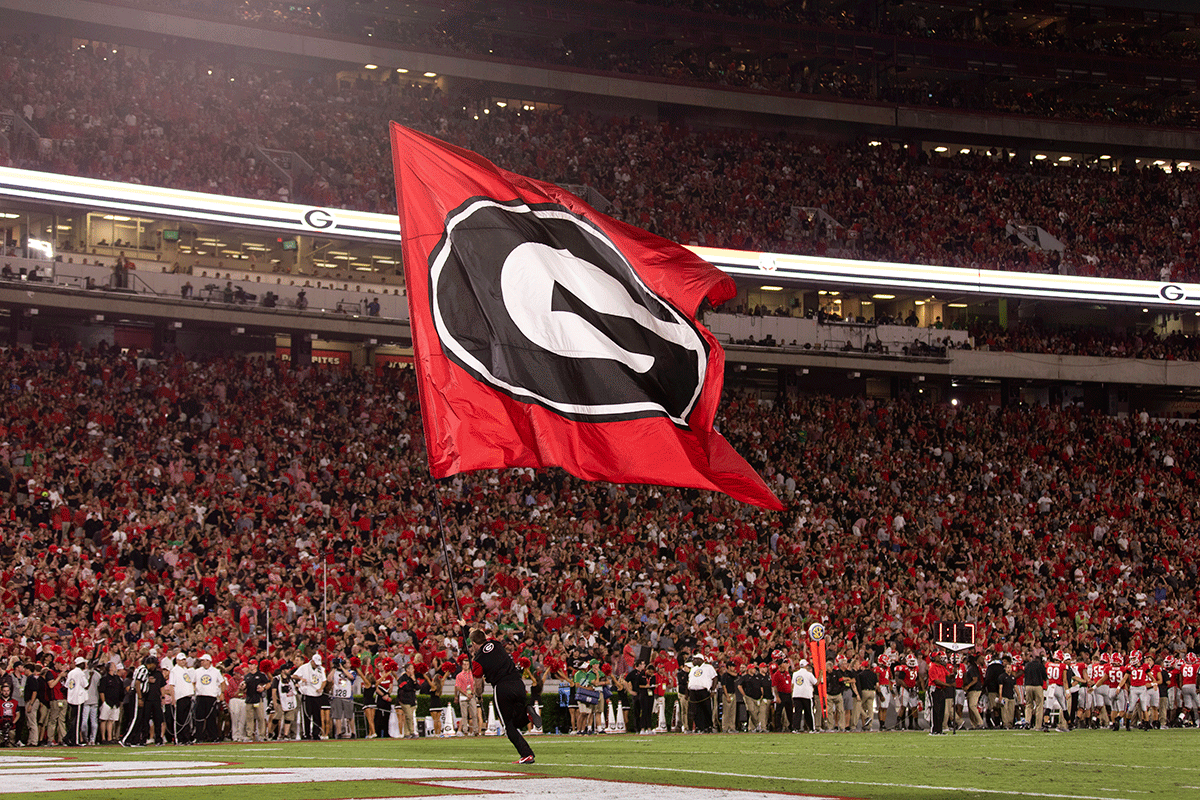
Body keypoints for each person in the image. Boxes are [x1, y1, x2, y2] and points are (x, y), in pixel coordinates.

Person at [466, 626, 536, 764]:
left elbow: (478, 685)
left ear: (474, 644)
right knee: (515, 719)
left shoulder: (478, 661)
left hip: (502, 687)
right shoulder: (495, 643)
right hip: (518, 683)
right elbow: (484, 636)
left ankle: (526, 754)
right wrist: (470, 629)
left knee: (508, 725)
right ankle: (526, 712)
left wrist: (479, 695)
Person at [292, 653, 326, 740]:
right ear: (312, 661)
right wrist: (301, 679)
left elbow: (324, 681)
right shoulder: (304, 667)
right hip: (307, 694)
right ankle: (306, 733)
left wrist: (321, 688)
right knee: (307, 715)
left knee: (317, 715)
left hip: (317, 695)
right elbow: (294, 675)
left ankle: (316, 733)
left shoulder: (321, 669)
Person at [167, 653, 194, 744]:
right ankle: (179, 738)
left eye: (184, 660)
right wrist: (173, 698)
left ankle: (186, 738)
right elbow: (171, 685)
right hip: (180, 697)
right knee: (180, 719)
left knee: (186, 719)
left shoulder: (186, 670)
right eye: (181, 660)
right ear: (177, 660)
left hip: (187, 696)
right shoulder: (174, 670)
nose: (183, 661)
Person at [64, 657, 90, 746]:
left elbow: (67, 685)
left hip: (71, 697)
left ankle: (67, 737)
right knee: (77, 721)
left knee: (74, 719)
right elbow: (86, 685)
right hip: (78, 698)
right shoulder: (80, 673)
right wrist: (90, 676)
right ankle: (75, 740)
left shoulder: (71, 672)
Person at [243, 659, 271, 742]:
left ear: (256, 665)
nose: (250, 666)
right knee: (249, 718)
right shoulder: (247, 676)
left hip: (258, 699)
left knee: (261, 718)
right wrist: (242, 688)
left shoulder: (261, 675)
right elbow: (244, 688)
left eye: (252, 664)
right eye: (249, 664)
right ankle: (249, 735)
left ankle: (262, 735)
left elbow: (268, 684)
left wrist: (263, 688)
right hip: (249, 699)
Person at [928, 651, 952, 736]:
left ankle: (939, 729)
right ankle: (934, 729)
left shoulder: (941, 667)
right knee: (935, 709)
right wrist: (948, 685)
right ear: (933, 658)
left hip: (941, 690)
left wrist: (954, 672)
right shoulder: (932, 667)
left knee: (941, 709)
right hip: (935, 689)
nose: (939, 657)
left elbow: (948, 675)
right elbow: (936, 681)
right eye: (937, 656)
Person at [791, 658, 819, 733]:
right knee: (809, 712)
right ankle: (811, 728)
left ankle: (795, 728)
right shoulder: (809, 674)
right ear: (806, 666)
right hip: (806, 695)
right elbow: (816, 683)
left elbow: (792, 685)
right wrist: (821, 675)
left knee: (797, 712)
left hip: (796, 695)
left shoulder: (795, 674)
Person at [98, 662, 123, 744]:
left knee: (111, 720)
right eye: (114, 666)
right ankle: (103, 738)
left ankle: (110, 738)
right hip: (107, 702)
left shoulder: (117, 678)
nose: (116, 667)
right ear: (110, 668)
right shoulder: (104, 678)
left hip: (115, 702)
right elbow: (102, 691)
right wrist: (104, 702)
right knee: (104, 720)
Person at [455, 660, 480, 737]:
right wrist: (466, 694)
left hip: (471, 695)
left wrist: (472, 693)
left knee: (474, 713)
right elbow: (458, 687)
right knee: (464, 714)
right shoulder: (459, 675)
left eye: (467, 664)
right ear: (462, 665)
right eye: (464, 664)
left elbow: (475, 685)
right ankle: (465, 730)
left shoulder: (472, 674)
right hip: (463, 696)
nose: (466, 666)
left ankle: (476, 730)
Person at [397, 662, 419, 739]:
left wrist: (414, 680)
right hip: (404, 700)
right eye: (411, 668)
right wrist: (412, 687)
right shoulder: (402, 678)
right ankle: (412, 732)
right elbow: (404, 687)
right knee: (409, 716)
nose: (413, 670)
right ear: (407, 669)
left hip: (412, 699)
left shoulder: (413, 678)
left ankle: (406, 733)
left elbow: (418, 687)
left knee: (408, 717)